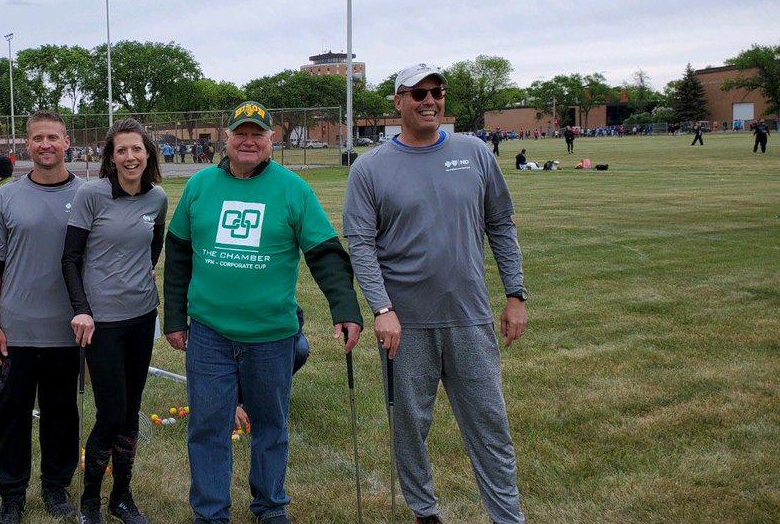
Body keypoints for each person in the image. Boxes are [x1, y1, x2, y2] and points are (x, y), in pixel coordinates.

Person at [342, 63, 527, 524]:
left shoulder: (476, 152)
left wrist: (515, 294)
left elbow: (501, 224)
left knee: (491, 429)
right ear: (398, 102)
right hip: (405, 326)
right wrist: (381, 308)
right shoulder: (370, 169)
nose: (429, 100)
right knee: (410, 429)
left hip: (470, 319)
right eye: (418, 92)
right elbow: (360, 244)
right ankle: (425, 514)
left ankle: (508, 517)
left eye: (437, 91)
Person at [163, 101, 363, 524]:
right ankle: (211, 513)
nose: (248, 140)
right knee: (207, 429)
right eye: (241, 133)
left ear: (272, 139)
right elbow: (178, 252)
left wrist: (345, 308)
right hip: (209, 334)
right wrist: (176, 317)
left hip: (272, 336)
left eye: (258, 133)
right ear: (227, 138)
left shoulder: (292, 189)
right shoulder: (200, 187)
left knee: (271, 427)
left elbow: (325, 254)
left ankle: (270, 507)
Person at [61, 118, 167, 524]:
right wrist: (81, 308)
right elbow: (70, 258)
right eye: (121, 150)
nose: (129, 157)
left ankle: (121, 497)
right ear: (110, 156)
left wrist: (139, 275)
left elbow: (153, 246)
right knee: (111, 413)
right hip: (101, 322)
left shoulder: (157, 198)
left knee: (132, 409)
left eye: (136, 149)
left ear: (147, 154)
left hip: (142, 316)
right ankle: (90, 501)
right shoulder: (91, 195)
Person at [0, 111, 84, 524]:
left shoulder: (89, 195)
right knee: (10, 415)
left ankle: (56, 487)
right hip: (16, 330)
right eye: (38, 138)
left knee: (62, 413)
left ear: (67, 141)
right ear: (27, 144)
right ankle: (11, 494)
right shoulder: (5, 198)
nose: (46, 145)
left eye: (53, 138)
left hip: (67, 329)